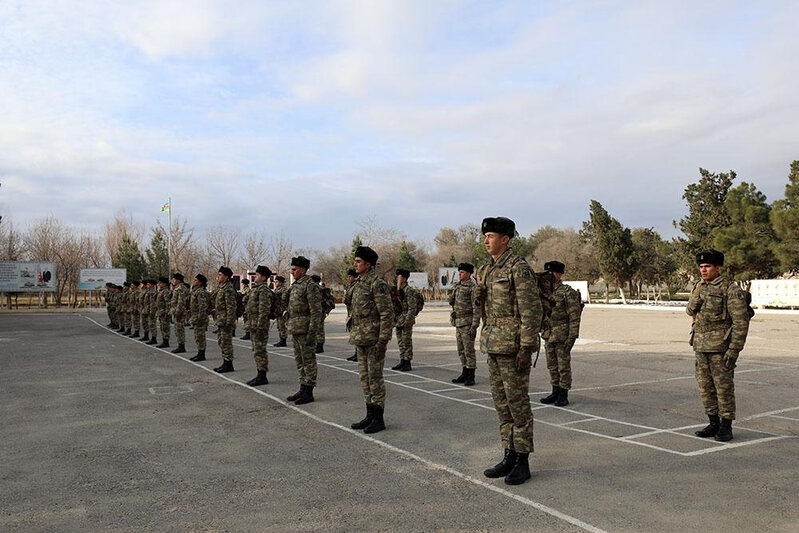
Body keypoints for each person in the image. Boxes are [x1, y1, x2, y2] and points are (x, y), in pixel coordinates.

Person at [477, 217, 542, 486]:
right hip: (493, 343)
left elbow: (531, 310)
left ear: (505, 239)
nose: (486, 240)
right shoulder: (487, 270)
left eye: (491, 236)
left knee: (517, 405)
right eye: (485, 236)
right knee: (501, 404)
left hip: (514, 347)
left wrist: (527, 347)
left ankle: (523, 460)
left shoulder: (518, 268)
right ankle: (509, 454)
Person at [687, 249, 751, 442]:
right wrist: (697, 296)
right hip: (700, 346)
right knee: (705, 387)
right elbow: (689, 310)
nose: (703, 270)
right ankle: (713, 421)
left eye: (707, 266)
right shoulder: (699, 286)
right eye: (701, 267)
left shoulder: (730, 289)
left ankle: (726, 425)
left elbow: (741, 322)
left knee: (723, 388)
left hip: (721, 348)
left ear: (718, 267)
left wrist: (734, 349)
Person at [348, 246, 394, 433]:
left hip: (374, 339)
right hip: (361, 337)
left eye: (358, 261)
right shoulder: (358, 283)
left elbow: (386, 313)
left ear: (368, 264)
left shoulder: (377, 283)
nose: (355, 264)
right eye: (355, 261)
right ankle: (369, 415)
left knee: (375, 379)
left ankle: (379, 418)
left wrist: (383, 340)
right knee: (365, 378)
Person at [539, 261, 582, 407]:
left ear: (558, 274)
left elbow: (575, 317)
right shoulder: (544, 292)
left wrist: (572, 337)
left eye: (550, 274)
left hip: (562, 335)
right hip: (548, 334)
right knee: (552, 365)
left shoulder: (567, 292)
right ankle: (555, 391)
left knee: (563, 366)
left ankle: (563, 394)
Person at [283, 256, 323, 404]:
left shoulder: (310, 285)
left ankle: (309, 391)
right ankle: (302, 387)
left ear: (303, 269)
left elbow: (316, 312)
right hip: (295, 328)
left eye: (294, 269)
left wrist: (312, 333)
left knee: (309, 361)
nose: (292, 272)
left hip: (306, 330)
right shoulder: (295, 285)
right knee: (300, 360)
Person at [449, 262, 481, 386]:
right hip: (458, 322)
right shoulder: (457, 286)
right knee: (461, 350)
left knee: (469, 350)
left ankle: (471, 375)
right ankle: (464, 372)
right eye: (459, 272)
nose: (460, 274)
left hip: (467, 323)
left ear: (468, 273)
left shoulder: (472, 288)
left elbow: (476, 307)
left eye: (462, 272)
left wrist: (474, 325)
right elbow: (451, 301)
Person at [246, 265, 274, 386]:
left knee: (260, 350)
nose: (255, 277)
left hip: (259, 326)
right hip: (254, 324)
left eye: (257, 275)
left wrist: (260, 326)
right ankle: (259, 374)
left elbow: (264, 311)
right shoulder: (256, 289)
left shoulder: (263, 291)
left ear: (263, 278)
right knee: (256, 350)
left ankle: (262, 376)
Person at [391, 269, 419, 372]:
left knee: (406, 341)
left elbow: (412, 307)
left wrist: (408, 320)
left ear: (405, 278)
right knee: (400, 341)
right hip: (399, 319)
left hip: (406, 319)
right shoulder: (398, 291)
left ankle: (407, 362)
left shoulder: (409, 290)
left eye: (400, 276)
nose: (398, 278)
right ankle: (402, 360)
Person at [213, 266, 238, 373]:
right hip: (220, 319)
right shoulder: (221, 288)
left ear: (226, 277)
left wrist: (229, 322)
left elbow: (231, 306)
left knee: (226, 342)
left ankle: (228, 364)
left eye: (220, 275)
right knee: (221, 341)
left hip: (225, 320)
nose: (218, 277)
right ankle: (225, 362)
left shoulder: (228, 289)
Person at [189, 274, 211, 361]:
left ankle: (201, 354)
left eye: (196, 280)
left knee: (200, 336)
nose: (194, 282)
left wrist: (199, 318)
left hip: (200, 318)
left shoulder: (200, 292)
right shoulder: (196, 291)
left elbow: (202, 306)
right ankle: (199, 353)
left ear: (200, 283)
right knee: (197, 336)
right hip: (196, 316)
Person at [312, 274, 335, 353]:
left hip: (317, 311)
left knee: (318, 329)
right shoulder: (323, 289)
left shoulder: (316, 289)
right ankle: (319, 345)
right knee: (320, 329)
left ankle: (319, 346)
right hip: (321, 311)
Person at [169, 273, 189, 354]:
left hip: (179, 312)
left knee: (179, 329)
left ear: (178, 280)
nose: (173, 281)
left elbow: (181, 302)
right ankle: (180, 345)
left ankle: (181, 346)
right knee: (178, 329)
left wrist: (177, 312)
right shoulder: (177, 288)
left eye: (174, 279)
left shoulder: (180, 288)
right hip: (177, 311)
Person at [344, 268, 358, 361]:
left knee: (357, 335)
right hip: (351, 314)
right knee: (354, 335)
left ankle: (358, 354)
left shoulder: (356, 286)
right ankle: (356, 353)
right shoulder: (350, 286)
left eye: (350, 276)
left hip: (356, 313)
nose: (348, 278)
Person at [272, 275, 289, 347]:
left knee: (282, 326)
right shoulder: (276, 290)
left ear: (281, 282)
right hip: (278, 310)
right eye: (275, 281)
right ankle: (281, 339)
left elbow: (284, 300)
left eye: (277, 281)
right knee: (279, 326)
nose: (275, 283)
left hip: (283, 310)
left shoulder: (284, 290)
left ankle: (283, 341)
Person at [155, 277, 171, 348]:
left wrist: (167, 312)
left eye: (160, 283)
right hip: (161, 312)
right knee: (162, 327)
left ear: (164, 284)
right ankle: (164, 341)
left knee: (165, 327)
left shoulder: (166, 291)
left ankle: (166, 342)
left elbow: (168, 303)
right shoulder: (161, 291)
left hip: (164, 312)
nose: (158, 284)